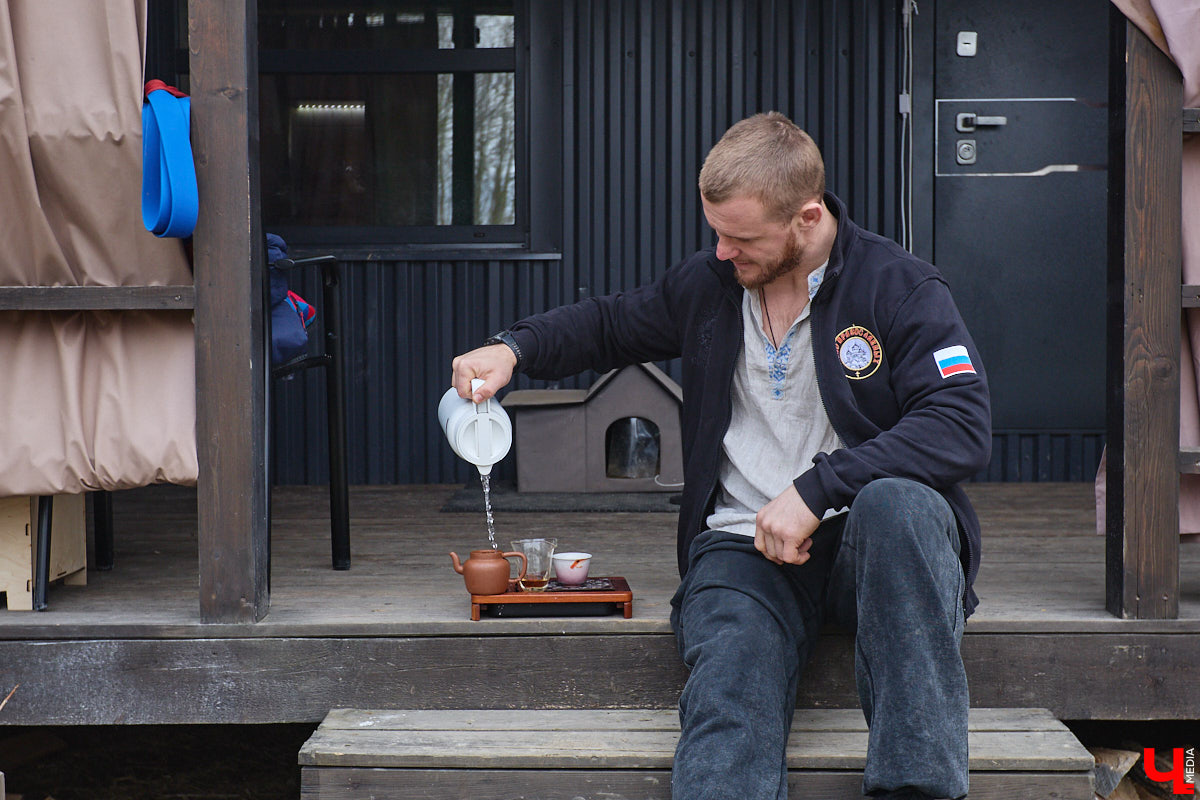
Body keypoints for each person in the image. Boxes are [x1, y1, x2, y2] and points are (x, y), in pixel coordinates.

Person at [451, 111, 990, 800]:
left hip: (873, 552)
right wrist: (514, 347)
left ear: (806, 216)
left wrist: (819, 489)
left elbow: (961, 425)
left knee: (901, 503)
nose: (722, 252)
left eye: (740, 238)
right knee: (730, 678)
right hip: (745, 552)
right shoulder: (713, 284)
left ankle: (917, 791)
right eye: (716, 233)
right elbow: (611, 322)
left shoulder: (900, 287)